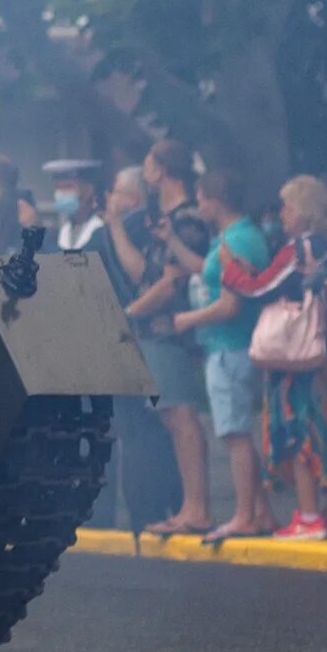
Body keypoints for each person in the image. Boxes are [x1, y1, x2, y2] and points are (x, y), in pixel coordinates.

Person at [114, 139, 212, 536]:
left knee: (182, 416)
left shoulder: (186, 217)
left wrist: (128, 315)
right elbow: (145, 274)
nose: (145, 169)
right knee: (172, 415)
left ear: (163, 169)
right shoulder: (166, 219)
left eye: (149, 162)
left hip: (172, 330)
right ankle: (191, 506)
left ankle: (198, 507)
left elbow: (172, 282)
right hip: (156, 330)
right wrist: (116, 224)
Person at [172, 168, 274, 541]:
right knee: (237, 432)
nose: (198, 206)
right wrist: (171, 242)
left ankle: (245, 515)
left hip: (230, 345)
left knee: (235, 434)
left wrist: (188, 319)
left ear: (214, 201)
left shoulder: (237, 242)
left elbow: (231, 303)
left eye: (200, 199)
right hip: (226, 345)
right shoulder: (231, 238)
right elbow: (210, 272)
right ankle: (260, 511)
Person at [261, 175, 327, 539]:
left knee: (300, 431)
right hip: (323, 353)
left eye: (287, 205)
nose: (280, 213)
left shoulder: (296, 250)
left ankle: (308, 515)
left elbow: (260, 287)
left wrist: (232, 269)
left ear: (303, 210)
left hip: (293, 357)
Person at [95, 164, 186, 528]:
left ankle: (153, 509)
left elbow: (143, 274)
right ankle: (152, 509)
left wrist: (128, 313)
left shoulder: (135, 226)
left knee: (149, 430)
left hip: (146, 336)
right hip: (135, 337)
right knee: (144, 429)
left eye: (116, 190)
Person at [46, 161, 107, 253]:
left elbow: (78, 263)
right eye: (58, 188)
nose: (61, 193)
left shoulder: (102, 228)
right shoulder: (65, 229)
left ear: (88, 191)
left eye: (68, 187)